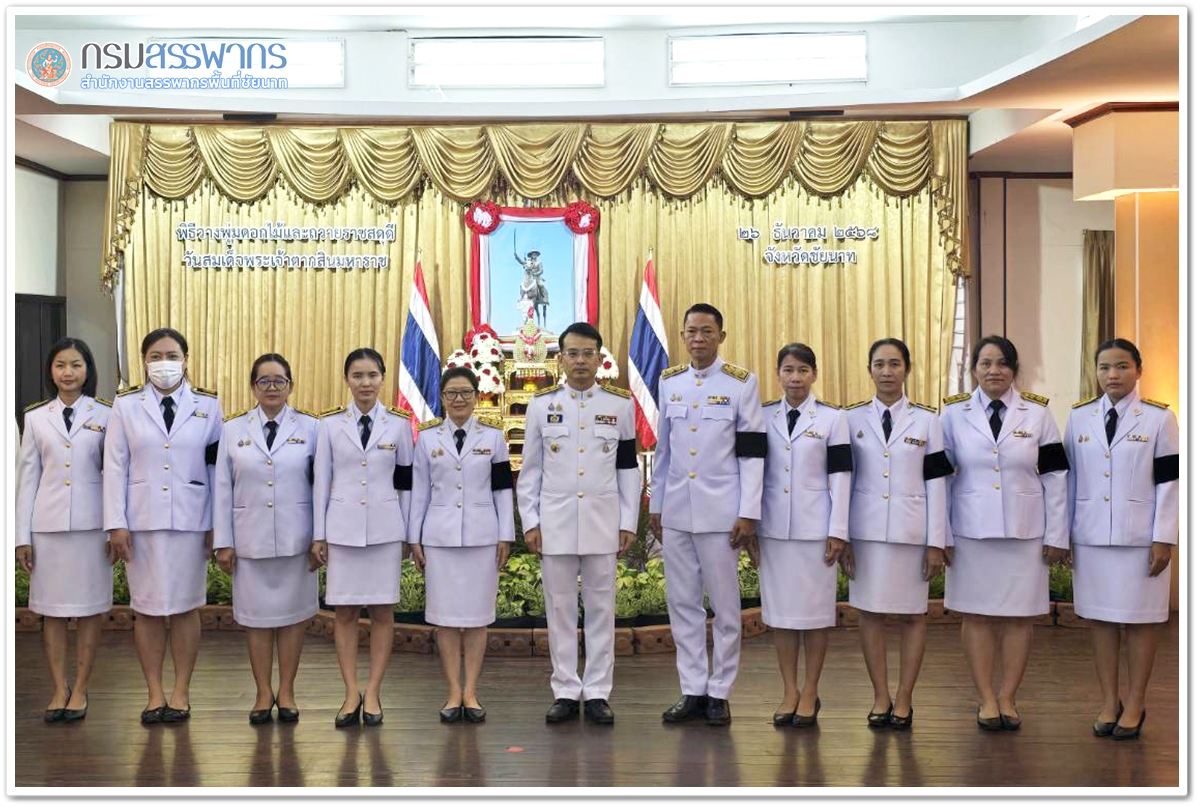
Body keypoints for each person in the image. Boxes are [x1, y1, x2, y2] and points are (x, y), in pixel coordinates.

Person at [941, 334, 1068, 730]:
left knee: (1018, 618)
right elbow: (939, 479)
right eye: (985, 363)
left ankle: (1009, 697)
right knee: (976, 617)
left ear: (1014, 369)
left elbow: (1056, 476)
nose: (994, 371)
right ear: (973, 369)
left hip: (1025, 532)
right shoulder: (951, 415)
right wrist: (940, 534)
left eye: (1002, 363)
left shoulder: (1038, 414)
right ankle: (986, 698)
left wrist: (1057, 535)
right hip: (971, 533)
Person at [517, 322, 640, 725]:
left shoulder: (620, 406)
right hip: (555, 522)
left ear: (600, 358)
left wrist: (628, 521)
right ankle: (566, 689)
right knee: (560, 608)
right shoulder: (541, 406)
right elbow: (530, 471)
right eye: (573, 353)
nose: (581, 361)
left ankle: (599, 690)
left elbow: (627, 469)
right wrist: (531, 522)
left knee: (603, 608)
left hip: (603, 521)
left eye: (588, 353)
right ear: (561, 358)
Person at [650, 303, 766, 726]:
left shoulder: (741, 382)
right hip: (678, 510)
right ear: (683, 336)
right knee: (681, 603)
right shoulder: (669, 382)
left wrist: (748, 512)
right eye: (691, 332)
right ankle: (692, 688)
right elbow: (664, 450)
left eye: (706, 331)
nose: (698, 339)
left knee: (725, 605)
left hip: (723, 513)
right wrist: (657, 505)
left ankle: (720, 691)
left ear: (721, 335)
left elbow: (753, 453)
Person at [104, 327, 223, 725]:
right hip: (142, 522)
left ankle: (181, 691)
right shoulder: (125, 405)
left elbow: (216, 470)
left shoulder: (209, 405)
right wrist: (115, 524)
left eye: (171, 354)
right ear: (144, 361)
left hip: (192, 521)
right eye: (155, 356)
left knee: (187, 608)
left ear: (186, 359)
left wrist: (217, 527)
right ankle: (154, 691)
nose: (164, 363)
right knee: (148, 609)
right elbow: (115, 466)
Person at [1065, 338, 1178, 740]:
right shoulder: (1078, 418)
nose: (1113, 375)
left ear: (1138, 370)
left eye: (1122, 366)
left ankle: (1135, 702)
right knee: (1100, 621)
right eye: (1104, 367)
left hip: (1140, 540)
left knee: (1142, 622)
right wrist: (1065, 535)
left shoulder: (1159, 418)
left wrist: (1164, 537)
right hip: (1092, 536)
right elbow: (1070, 478)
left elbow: (1170, 481)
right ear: (1095, 372)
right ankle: (1108, 701)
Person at [841, 338, 953, 729]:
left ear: (907, 369)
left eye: (894, 364)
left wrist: (936, 542)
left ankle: (904, 697)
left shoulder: (928, 421)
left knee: (912, 617)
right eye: (879, 364)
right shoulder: (849, 419)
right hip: (865, 534)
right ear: (869, 370)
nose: (887, 372)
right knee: (869, 615)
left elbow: (938, 484)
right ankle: (880, 695)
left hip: (911, 534)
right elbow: (841, 481)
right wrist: (842, 536)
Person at [213, 354, 320, 724]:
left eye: (279, 381)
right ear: (253, 387)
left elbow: (321, 487)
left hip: (297, 539)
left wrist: (319, 537)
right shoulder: (232, 430)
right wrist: (223, 541)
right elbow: (221, 489)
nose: (272, 388)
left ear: (291, 385)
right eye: (264, 381)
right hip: (249, 540)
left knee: (292, 620)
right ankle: (262, 692)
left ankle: (287, 691)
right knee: (256, 620)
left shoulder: (311, 428)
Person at [311, 347, 413, 728]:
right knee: (346, 612)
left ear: (382, 379)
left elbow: (407, 485)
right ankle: (351, 691)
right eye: (358, 376)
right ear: (347, 380)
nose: (365, 383)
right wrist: (319, 534)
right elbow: (321, 482)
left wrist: (409, 533)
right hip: (342, 529)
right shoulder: (329, 425)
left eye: (372, 375)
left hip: (386, 530)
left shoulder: (400, 425)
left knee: (383, 611)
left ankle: (373, 691)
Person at [409, 366, 514, 724]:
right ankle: (453, 691)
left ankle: (472, 691)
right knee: (446, 620)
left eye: (465, 393)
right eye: (452, 393)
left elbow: (502, 489)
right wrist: (415, 538)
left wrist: (505, 535)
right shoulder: (426, 439)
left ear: (476, 396)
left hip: (482, 538)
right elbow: (419, 491)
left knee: (477, 619)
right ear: (442, 398)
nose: (458, 400)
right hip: (439, 538)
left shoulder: (493, 438)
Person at [16, 338, 112, 723]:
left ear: (88, 370)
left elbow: (114, 474)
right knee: (51, 612)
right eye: (60, 365)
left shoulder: (108, 415)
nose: (68, 372)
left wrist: (114, 528)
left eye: (75, 365)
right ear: (50, 371)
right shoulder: (36, 418)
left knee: (90, 611)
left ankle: (82, 688)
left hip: (92, 528)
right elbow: (27, 479)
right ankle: (59, 687)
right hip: (49, 528)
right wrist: (21, 536)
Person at [758, 343, 851, 729]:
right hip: (774, 529)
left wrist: (838, 529)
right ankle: (789, 690)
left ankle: (811, 690)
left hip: (817, 530)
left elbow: (841, 477)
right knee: (781, 618)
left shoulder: (833, 418)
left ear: (814, 374)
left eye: (802, 371)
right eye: (788, 370)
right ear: (778, 374)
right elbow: (751, 473)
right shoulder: (761, 416)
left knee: (814, 617)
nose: (795, 378)